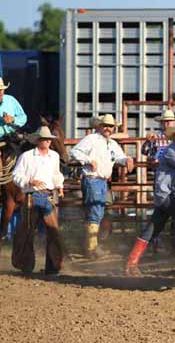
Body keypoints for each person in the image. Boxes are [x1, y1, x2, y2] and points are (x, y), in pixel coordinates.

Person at [125, 123, 175, 276]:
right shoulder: (171, 150)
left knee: (153, 228)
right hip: (169, 194)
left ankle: (131, 263)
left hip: (167, 194)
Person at [70, 114, 135, 259]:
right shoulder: (92, 139)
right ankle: (91, 249)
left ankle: (91, 247)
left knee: (98, 212)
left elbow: (119, 157)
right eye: (105, 125)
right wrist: (88, 160)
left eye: (110, 126)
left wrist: (127, 159)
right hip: (93, 178)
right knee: (95, 212)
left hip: (102, 181)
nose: (108, 128)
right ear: (99, 126)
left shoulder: (112, 144)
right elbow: (74, 151)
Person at [11, 126, 65, 274]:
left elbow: (56, 174)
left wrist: (59, 186)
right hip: (32, 195)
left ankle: (53, 266)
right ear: (38, 140)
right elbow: (15, 176)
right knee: (28, 230)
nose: (47, 141)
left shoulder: (54, 156)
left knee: (53, 231)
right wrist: (29, 181)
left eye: (49, 139)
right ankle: (25, 264)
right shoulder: (27, 156)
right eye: (44, 139)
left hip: (48, 194)